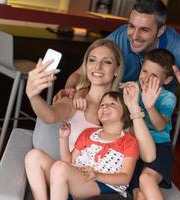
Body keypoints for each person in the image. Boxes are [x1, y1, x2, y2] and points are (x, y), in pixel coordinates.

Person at [24, 39, 156, 200]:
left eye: (106, 62)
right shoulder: (74, 100)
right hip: (68, 174)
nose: (97, 67)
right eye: (92, 60)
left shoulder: (124, 105)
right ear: (86, 66)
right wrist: (33, 96)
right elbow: (49, 116)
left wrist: (134, 108)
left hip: (97, 183)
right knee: (34, 156)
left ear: (117, 69)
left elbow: (148, 156)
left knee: (60, 169)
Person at [55, 0, 180, 104]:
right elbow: (80, 74)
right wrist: (70, 89)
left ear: (160, 31)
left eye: (144, 30)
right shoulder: (120, 35)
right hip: (115, 108)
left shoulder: (176, 45)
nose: (134, 36)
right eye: (131, 26)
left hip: (153, 116)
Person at [50, 91, 141, 199]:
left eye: (112, 104)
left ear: (125, 112)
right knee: (37, 157)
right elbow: (69, 162)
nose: (105, 106)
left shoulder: (129, 141)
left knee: (59, 168)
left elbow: (125, 178)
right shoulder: (88, 133)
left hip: (107, 188)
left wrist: (98, 175)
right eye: (102, 104)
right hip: (79, 179)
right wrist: (64, 138)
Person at [126, 49, 176, 200]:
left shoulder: (168, 97)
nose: (146, 78)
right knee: (138, 194)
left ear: (167, 80)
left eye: (154, 76)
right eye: (144, 71)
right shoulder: (134, 88)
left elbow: (161, 126)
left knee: (146, 179)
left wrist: (150, 106)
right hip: (135, 148)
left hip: (160, 147)